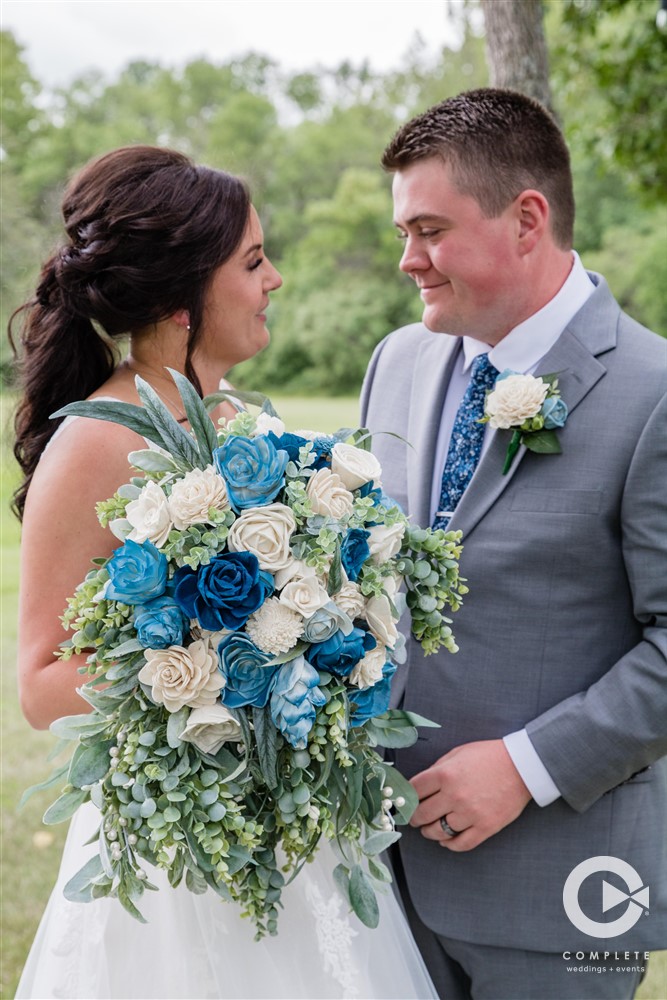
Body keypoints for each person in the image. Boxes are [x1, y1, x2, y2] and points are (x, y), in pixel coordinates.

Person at [12, 145, 437, 999]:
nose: (274, 278)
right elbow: (39, 681)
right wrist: (222, 669)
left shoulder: (250, 419)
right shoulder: (94, 441)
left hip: (297, 832)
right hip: (174, 856)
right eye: (251, 261)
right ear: (181, 299)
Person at [361, 88, 667, 1000]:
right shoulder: (397, 359)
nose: (408, 260)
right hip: (376, 876)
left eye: (429, 230)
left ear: (526, 219)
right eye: (401, 232)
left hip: (559, 888)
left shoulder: (654, 390)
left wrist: (527, 768)